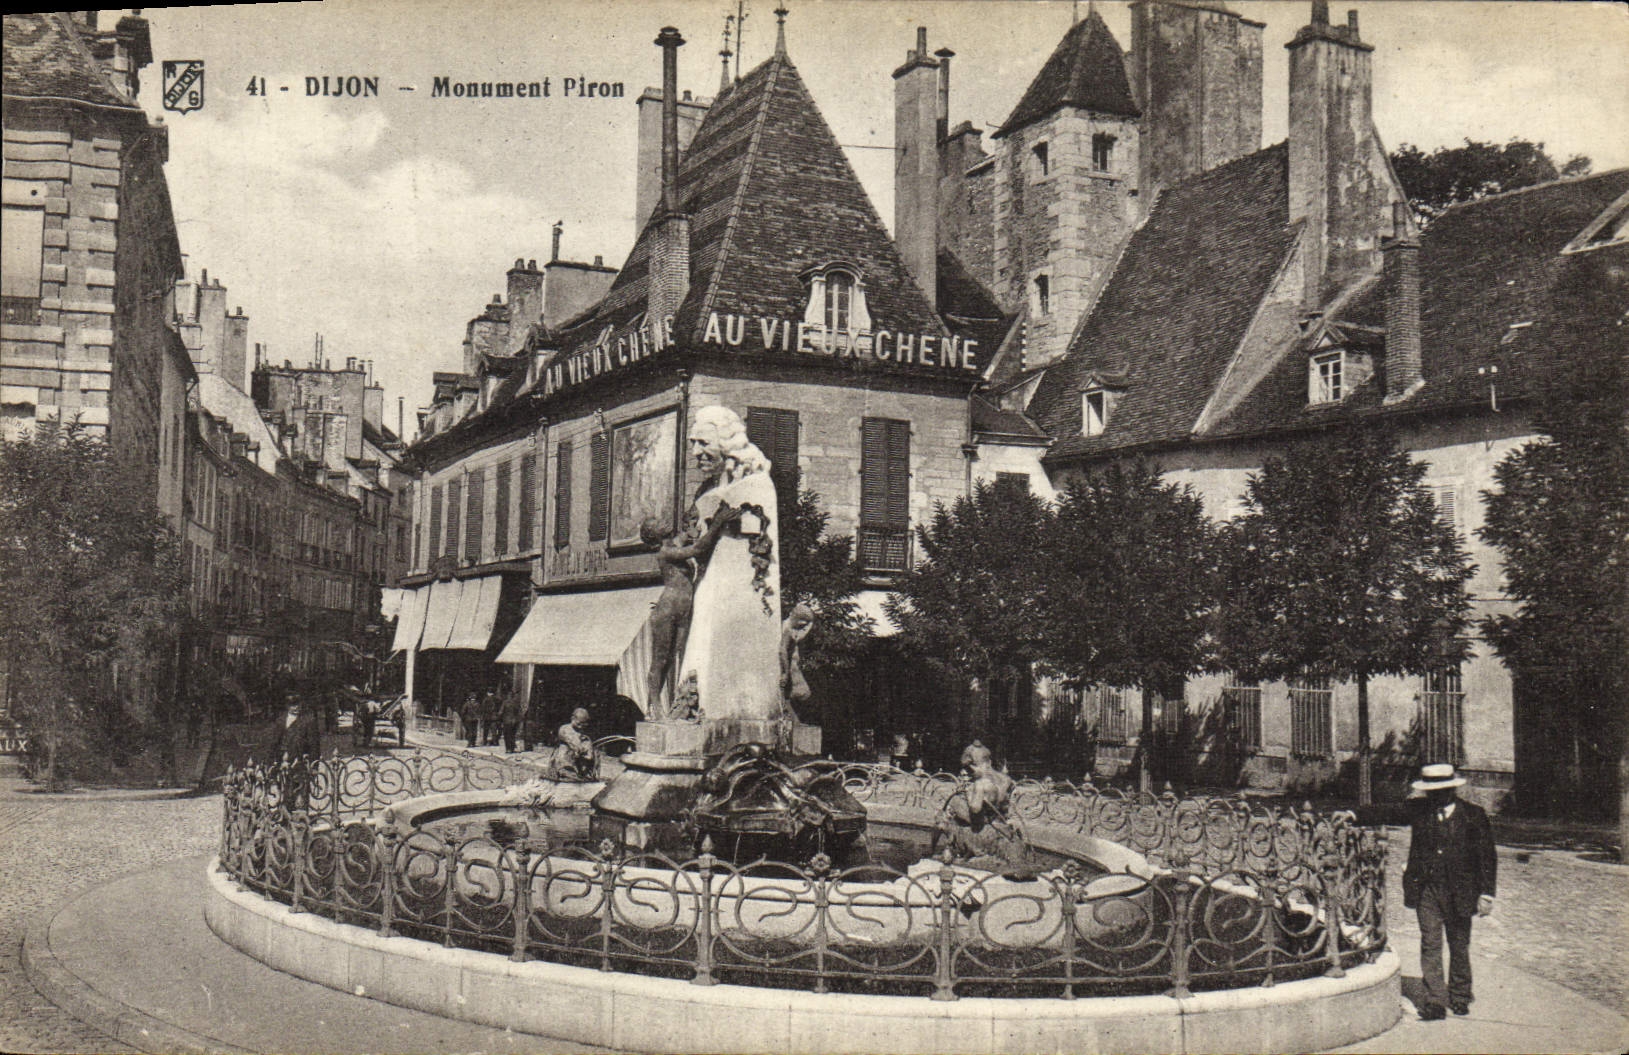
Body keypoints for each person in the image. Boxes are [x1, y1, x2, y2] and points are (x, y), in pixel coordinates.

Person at [1342, 762, 1497, 1021]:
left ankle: (1459, 995)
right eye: (1430, 791)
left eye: (1440, 790)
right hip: (1427, 890)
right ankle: (1435, 1000)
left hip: (1460, 892)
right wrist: (1354, 815)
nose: (1434, 796)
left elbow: (1486, 857)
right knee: (1430, 943)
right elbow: (1388, 812)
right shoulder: (1420, 810)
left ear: (1451, 790)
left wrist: (1486, 894)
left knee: (1459, 945)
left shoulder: (1473, 815)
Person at [641, 507, 738, 717]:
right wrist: (717, 523)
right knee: (661, 659)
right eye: (657, 524)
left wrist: (694, 523)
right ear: (654, 535)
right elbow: (697, 549)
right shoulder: (665, 552)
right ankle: (653, 704)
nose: (663, 522)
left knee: (679, 655)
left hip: (683, 608)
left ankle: (675, 702)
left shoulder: (674, 544)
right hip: (668, 609)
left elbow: (688, 537)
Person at [273, 695, 324, 812]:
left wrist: (314, 766)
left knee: (301, 789)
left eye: (297, 704)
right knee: (285, 789)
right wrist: (273, 762)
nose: (296, 707)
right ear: (287, 706)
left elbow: (314, 745)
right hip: (284, 761)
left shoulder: (308, 720)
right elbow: (275, 742)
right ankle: (286, 815)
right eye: (292, 705)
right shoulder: (281, 720)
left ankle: (301, 818)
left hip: (300, 760)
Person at [779, 604, 815, 719]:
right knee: (803, 693)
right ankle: (792, 716)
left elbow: (801, 635)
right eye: (802, 623)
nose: (802, 626)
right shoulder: (788, 630)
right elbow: (782, 650)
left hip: (792, 666)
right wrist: (785, 672)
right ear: (797, 618)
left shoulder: (790, 627)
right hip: (790, 667)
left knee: (799, 694)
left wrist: (809, 623)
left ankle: (793, 717)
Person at [548, 707, 597, 780]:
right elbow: (566, 739)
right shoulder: (565, 728)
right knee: (563, 749)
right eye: (579, 723)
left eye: (584, 724)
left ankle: (583, 775)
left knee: (589, 756)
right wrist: (575, 747)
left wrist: (585, 751)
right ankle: (565, 771)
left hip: (580, 759)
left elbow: (588, 746)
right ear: (572, 718)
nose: (581, 726)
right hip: (566, 756)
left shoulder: (585, 734)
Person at [499, 686, 525, 754]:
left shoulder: (505, 702)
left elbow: (500, 712)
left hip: (506, 721)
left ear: (508, 696)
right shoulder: (516, 703)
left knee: (507, 735)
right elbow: (520, 712)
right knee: (512, 735)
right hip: (514, 721)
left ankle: (508, 749)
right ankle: (512, 748)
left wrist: (500, 719)